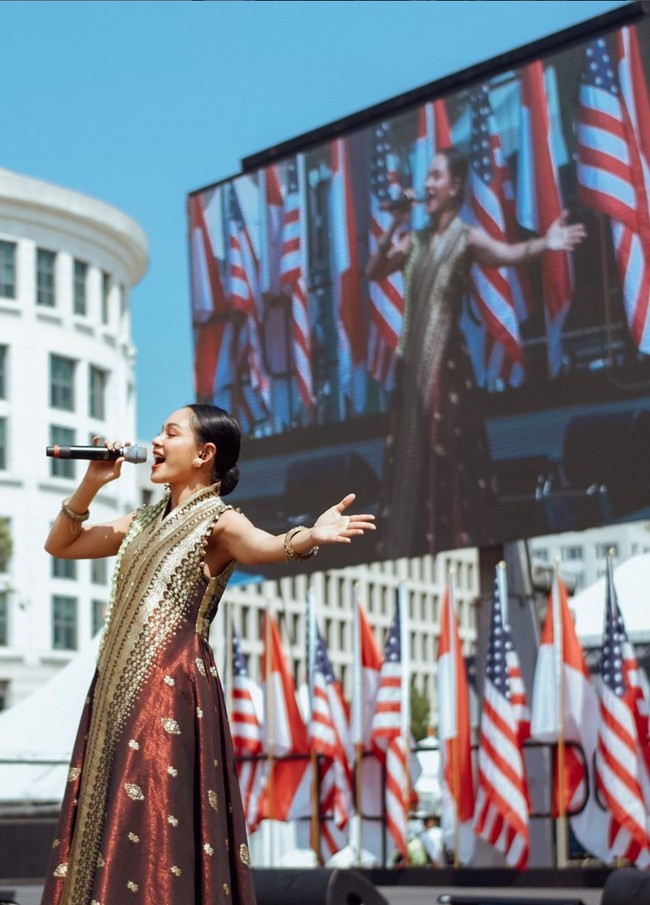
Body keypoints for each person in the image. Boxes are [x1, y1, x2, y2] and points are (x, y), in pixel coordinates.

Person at [40, 403, 375, 905]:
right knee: (103, 820)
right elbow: (61, 545)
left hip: (166, 693)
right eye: (159, 431)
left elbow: (265, 546)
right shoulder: (143, 520)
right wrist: (92, 482)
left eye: (170, 433)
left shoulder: (220, 521)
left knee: (151, 824)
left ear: (204, 453)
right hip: (113, 692)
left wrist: (311, 535)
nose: (155, 441)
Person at [366, 146, 586, 557]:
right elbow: (372, 271)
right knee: (409, 453)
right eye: (427, 176)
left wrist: (546, 243)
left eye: (436, 176)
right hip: (410, 369)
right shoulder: (413, 241)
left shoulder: (466, 237)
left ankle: (451, 545)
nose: (428, 184)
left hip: (444, 369)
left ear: (455, 186)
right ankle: (406, 545)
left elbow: (508, 255)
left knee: (444, 453)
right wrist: (394, 222)